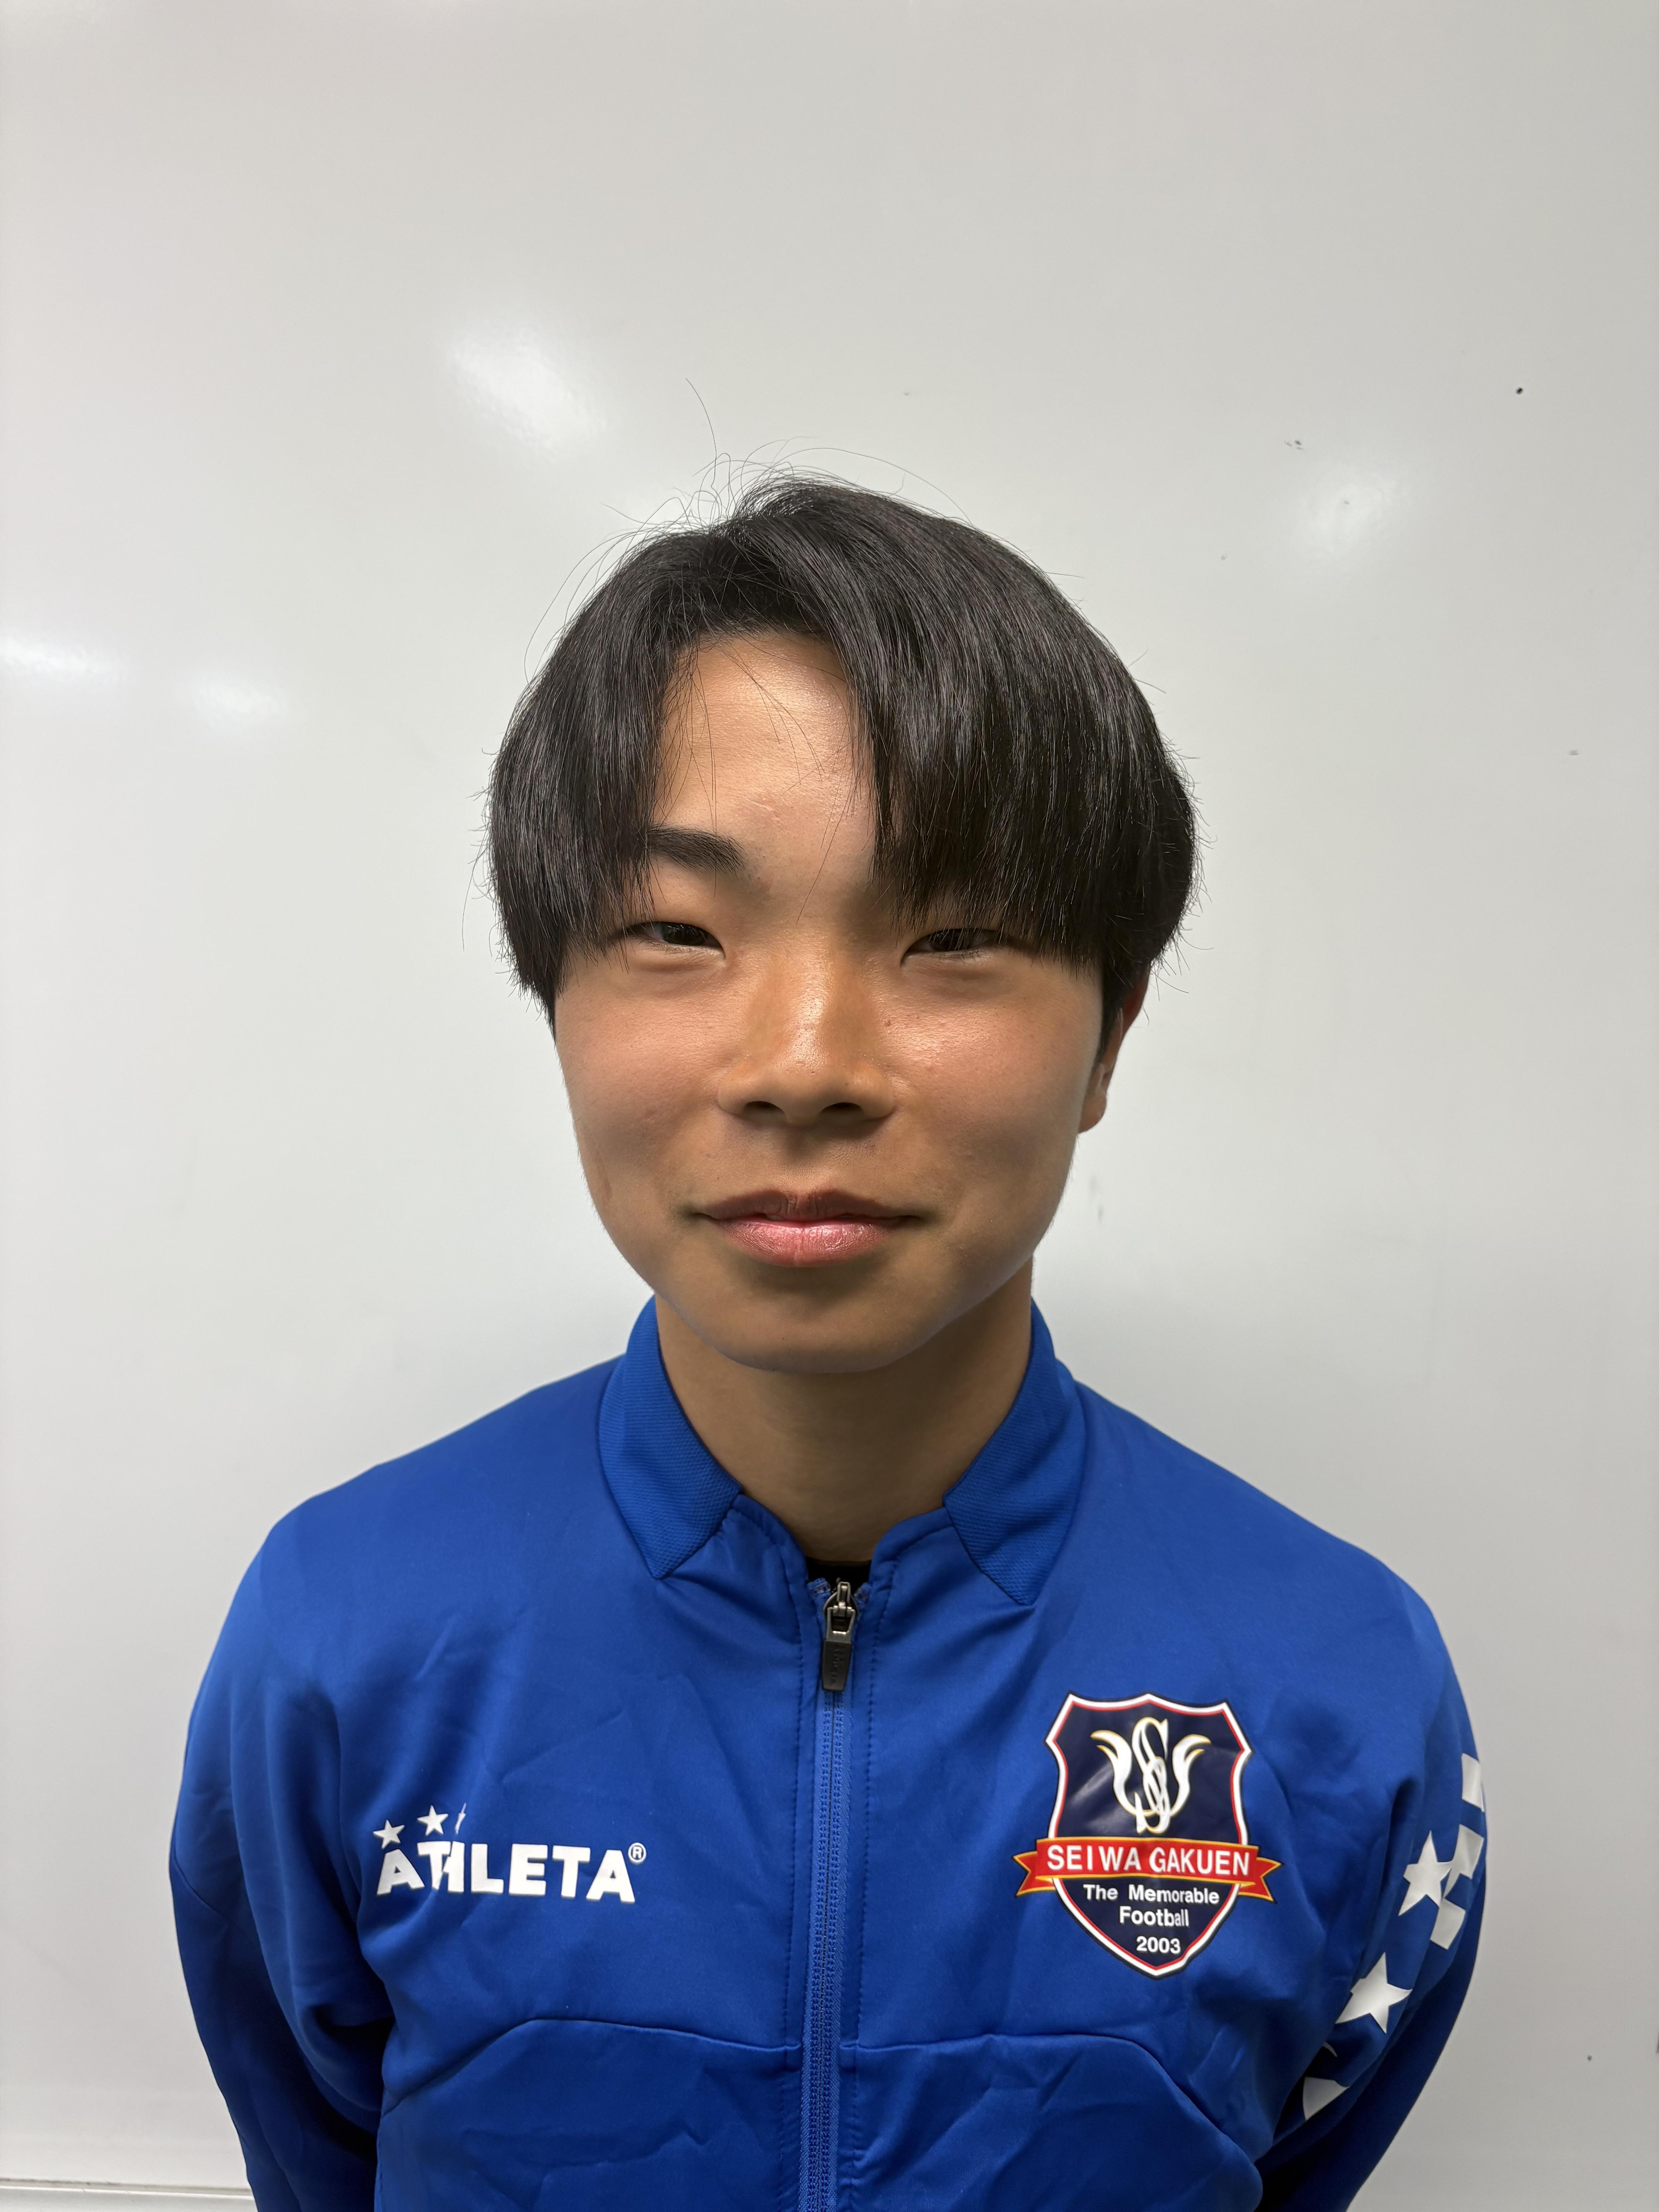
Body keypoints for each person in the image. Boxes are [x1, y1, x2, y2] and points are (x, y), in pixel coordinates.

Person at [171, 479, 1484, 2212]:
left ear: (1109, 1035)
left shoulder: (1342, 1685)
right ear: (553, 998)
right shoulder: (344, 1635)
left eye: (953, 936)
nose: (804, 1063)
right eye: (677, 932)